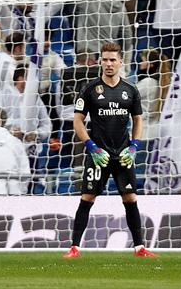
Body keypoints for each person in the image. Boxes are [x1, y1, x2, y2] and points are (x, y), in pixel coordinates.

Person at [63, 42, 158, 258]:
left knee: (131, 198)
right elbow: (78, 121)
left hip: (123, 155)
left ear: (120, 62)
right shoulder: (89, 89)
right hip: (98, 155)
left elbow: (138, 120)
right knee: (87, 197)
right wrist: (91, 147)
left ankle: (139, 248)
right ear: (100, 61)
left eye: (112, 60)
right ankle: (74, 248)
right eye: (105, 59)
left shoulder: (130, 89)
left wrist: (134, 146)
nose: (108, 64)